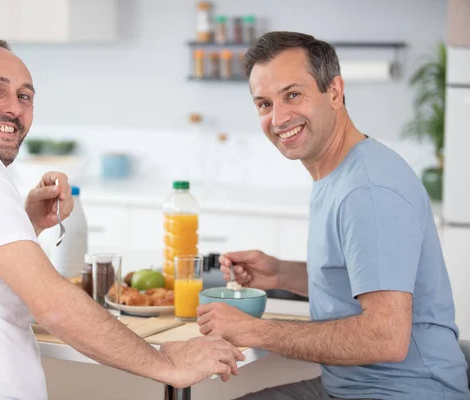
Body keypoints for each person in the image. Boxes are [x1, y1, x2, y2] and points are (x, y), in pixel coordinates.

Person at [0, 39, 245, 400]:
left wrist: (26, 223)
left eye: (25, 96)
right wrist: (164, 363)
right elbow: (51, 304)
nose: (14, 108)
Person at [196, 31, 470, 399]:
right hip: (354, 386)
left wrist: (254, 330)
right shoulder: (339, 171)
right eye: (264, 104)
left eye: (293, 95)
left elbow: (385, 338)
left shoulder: (368, 190)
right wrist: (280, 274)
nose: (278, 118)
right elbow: (362, 283)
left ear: (335, 92)